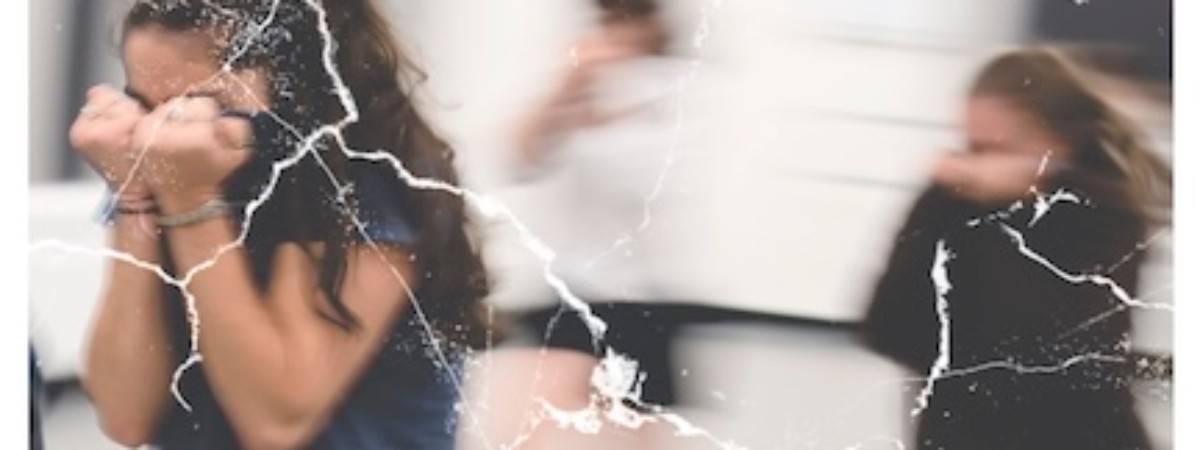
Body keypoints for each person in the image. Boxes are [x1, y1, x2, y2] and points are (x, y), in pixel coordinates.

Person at [73, 1, 491, 449]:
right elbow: (124, 419)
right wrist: (136, 195)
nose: (163, 133)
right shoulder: (165, 159)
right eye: (143, 106)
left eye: (195, 105)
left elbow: (276, 423)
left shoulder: (369, 177)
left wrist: (191, 202)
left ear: (295, 86)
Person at [861, 47, 1171, 449]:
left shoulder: (1106, 214)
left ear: (1058, 145)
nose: (980, 165)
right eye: (974, 147)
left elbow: (1044, 355)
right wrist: (938, 211)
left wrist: (1016, 204)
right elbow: (887, 327)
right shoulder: (949, 203)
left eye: (1002, 148)